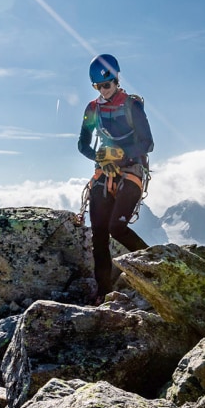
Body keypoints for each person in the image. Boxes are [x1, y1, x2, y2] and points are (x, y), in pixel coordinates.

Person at [77, 53, 153, 303]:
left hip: (131, 171)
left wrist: (120, 156)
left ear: (117, 79)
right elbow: (82, 144)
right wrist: (99, 158)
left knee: (116, 227)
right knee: (99, 233)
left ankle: (156, 266)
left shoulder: (132, 105)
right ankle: (103, 292)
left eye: (107, 84)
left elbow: (147, 143)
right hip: (104, 172)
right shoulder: (92, 109)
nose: (103, 90)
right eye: (98, 86)